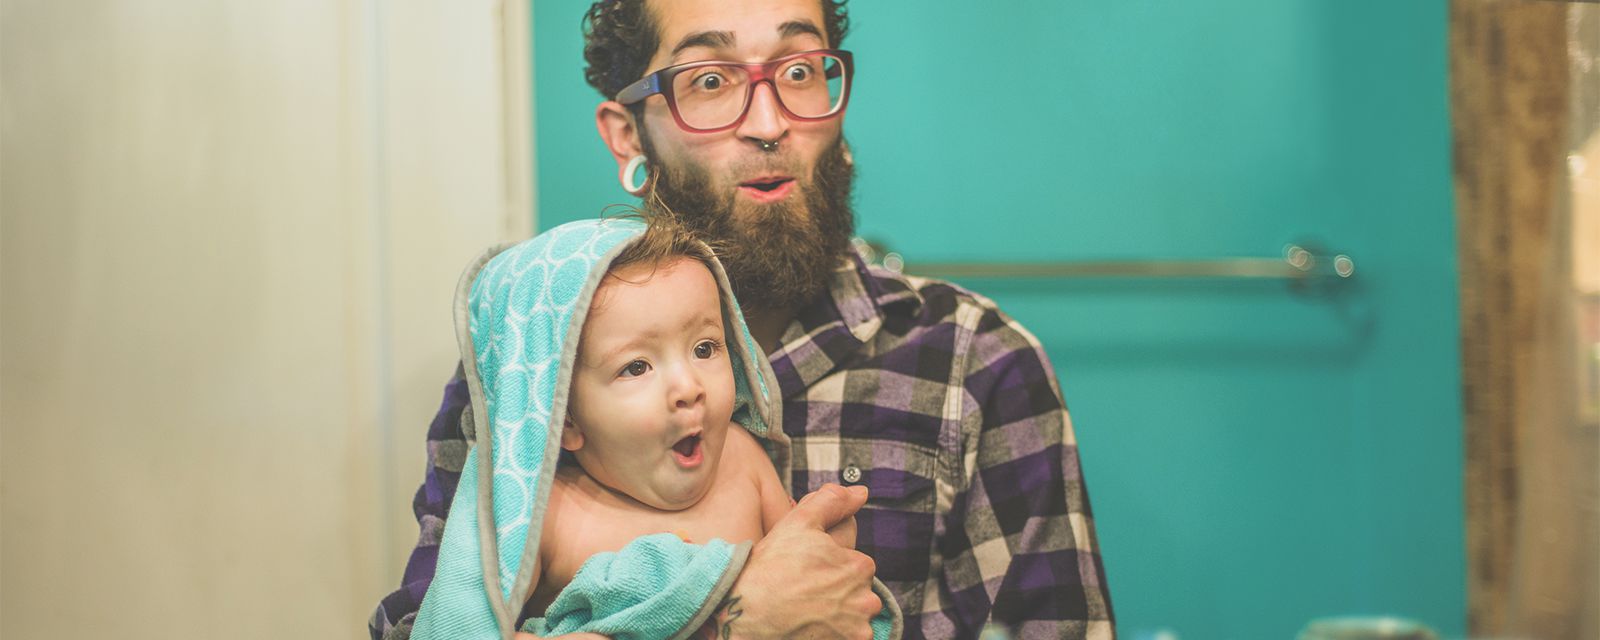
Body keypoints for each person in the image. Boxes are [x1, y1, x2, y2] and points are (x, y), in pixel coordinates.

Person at [372, 1, 1114, 638]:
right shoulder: (533, 365)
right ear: (627, 134)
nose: (768, 122)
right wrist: (736, 621)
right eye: (710, 81)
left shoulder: (973, 366)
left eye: (798, 70)